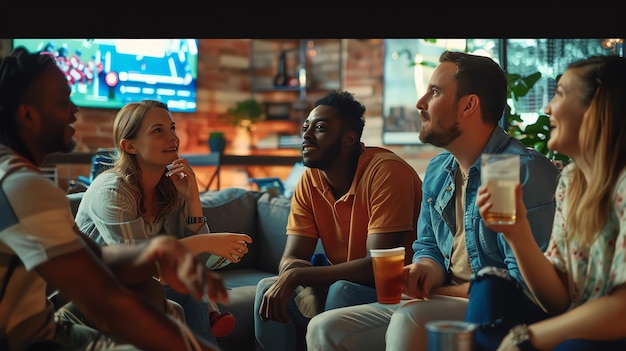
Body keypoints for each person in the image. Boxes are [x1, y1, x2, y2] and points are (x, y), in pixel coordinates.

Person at [305, 50, 561, 351]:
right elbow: (428, 247)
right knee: (324, 328)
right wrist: (425, 268)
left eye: (435, 92)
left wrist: (437, 287)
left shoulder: (522, 171)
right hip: (443, 296)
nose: (420, 103)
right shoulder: (440, 169)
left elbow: (521, 284)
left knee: (410, 318)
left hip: (497, 308)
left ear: (468, 105)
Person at [0, 47, 225, 351]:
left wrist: (161, 251)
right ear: (27, 114)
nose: (74, 111)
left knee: (166, 303)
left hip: (46, 325)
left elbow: (100, 258)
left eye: (171, 128)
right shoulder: (24, 187)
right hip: (27, 340)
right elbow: (108, 299)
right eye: (63, 101)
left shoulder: (19, 176)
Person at [473, 55, 626, 351]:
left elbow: (622, 312)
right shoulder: (571, 182)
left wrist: (528, 337)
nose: (547, 109)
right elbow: (558, 298)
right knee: (488, 286)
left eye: (559, 94)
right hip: (581, 327)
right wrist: (516, 232)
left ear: (597, 109)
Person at [254, 90, 423, 351]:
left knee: (342, 290)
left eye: (319, 128)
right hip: (341, 282)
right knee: (268, 287)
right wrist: (298, 276)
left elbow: (380, 268)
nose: (306, 135)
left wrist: (303, 275)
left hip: (400, 290)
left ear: (349, 139)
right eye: (306, 127)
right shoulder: (309, 181)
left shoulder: (386, 172)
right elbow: (292, 257)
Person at [72, 99, 253, 342]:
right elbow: (137, 262)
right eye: (158, 130)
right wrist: (206, 242)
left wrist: (192, 197)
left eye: (172, 128)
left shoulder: (168, 188)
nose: (173, 137)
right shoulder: (112, 192)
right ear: (129, 146)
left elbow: (197, 262)